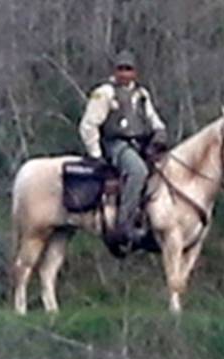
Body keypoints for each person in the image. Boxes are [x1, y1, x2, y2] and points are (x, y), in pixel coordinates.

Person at [78, 50, 168, 251]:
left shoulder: (142, 95)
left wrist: (160, 135)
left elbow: (155, 120)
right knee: (138, 171)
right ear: (115, 70)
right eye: (121, 68)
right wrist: (96, 154)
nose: (125, 73)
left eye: (129, 69)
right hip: (115, 144)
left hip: (140, 145)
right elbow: (88, 125)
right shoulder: (105, 93)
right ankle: (123, 225)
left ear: (135, 72)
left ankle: (151, 223)